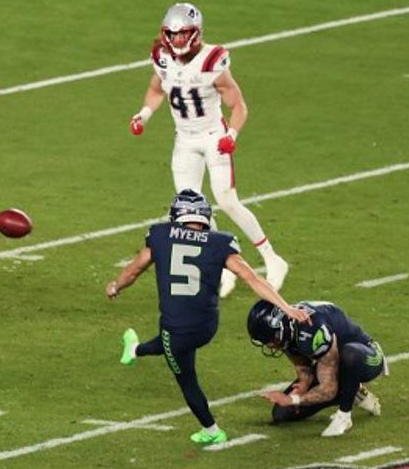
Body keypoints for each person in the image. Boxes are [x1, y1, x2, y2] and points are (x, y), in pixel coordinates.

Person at [105, 189, 308, 446]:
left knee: (185, 375)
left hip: (176, 328)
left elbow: (134, 270)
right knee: (172, 344)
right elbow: (251, 278)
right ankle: (133, 350)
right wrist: (286, 307)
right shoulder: (220, 243)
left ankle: (211, 431)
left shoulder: (160, 236)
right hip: (207, 327)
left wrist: (115, 286)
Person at [128, 2, 289, 297]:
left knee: (227, 201)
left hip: (214, 136)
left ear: (196, 33)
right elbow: (156, 89)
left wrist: (233, 134)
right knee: (194, 209)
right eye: (172, 34)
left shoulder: (211, 60)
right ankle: (225, 270)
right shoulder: (162, 59)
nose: (177, 40)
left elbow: (238, 104)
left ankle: (272, 259)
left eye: (183, 34)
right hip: (184, 140)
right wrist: (144, 115)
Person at [247, 299, 387, 437]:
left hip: (368, 357)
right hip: (333, 361)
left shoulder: (312, 328)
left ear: (281, 328)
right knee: (282, 413)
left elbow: (328, 389)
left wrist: (293, 400)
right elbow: (303, 367)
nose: (270, 346)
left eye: (272, 340)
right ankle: (353, 391)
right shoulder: (289, 327)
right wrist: (303, 384)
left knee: (350, 355)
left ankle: (344, 416)